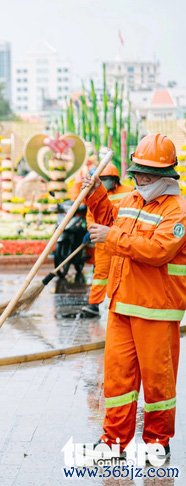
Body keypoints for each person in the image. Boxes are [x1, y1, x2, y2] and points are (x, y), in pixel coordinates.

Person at [83, 133, 186, 462]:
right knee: (117, 379)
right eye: (137, 172)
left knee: (158, 385)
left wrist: (112, 237)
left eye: (145, 173)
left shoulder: (177, 211)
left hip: (156, 309)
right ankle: (113, 441)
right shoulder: (131, 200)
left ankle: (157, 442)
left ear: (164, 175)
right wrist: (96, 194)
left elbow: (158, 251)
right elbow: (110, 220)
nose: (139, 178)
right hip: (122, 303)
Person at [80, 163, 132, 317]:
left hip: (122, 239)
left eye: (107, 178)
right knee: (100, 274)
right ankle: (94, 305)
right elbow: (92, 215)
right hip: (103, 242)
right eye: (101, 179)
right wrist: (92, 230)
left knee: (125, 273)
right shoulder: (96, 193)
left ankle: (124, 304)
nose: (104, 182)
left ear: (115, 179)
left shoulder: (129, 192)